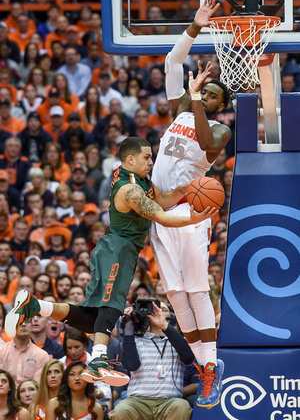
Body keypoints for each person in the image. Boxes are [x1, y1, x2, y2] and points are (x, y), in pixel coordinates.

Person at [5, 137, 217, 387]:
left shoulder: (139, 180)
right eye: (147, 157)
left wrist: (184, 191)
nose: (151, 161)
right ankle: (98, 361)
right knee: (113, 306)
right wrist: (194, 218)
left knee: (90, 318)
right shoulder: (130, 190)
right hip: (119, 249)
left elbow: (161, 199)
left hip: (112, 249)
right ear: (130, 159)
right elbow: (160, 216)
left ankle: (34, 305)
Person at [150, 0, 231, 409]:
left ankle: (212, 368)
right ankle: (203, 371)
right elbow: (171, 63)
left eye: (214, 93)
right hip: (158, 211)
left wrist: (197, 99)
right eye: (204, 88)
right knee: (176, 294)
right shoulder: (180, 110)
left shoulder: (218, 132)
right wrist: (196, 26)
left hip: (191, 211)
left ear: (222, 106)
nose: (205, 91)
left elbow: (202, 141)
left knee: (198, 290)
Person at [109, 301, 193, 420]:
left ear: (171, 316)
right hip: (138, 402)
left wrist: (164, 326)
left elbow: (189, 358)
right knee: (121, 409)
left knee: (182, 406)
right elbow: (131, 365)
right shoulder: (135, 340)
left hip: (169, 402)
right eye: (154, 309)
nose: (158, 312)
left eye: (163, 310)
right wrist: (128, 327)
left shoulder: (179, 340)